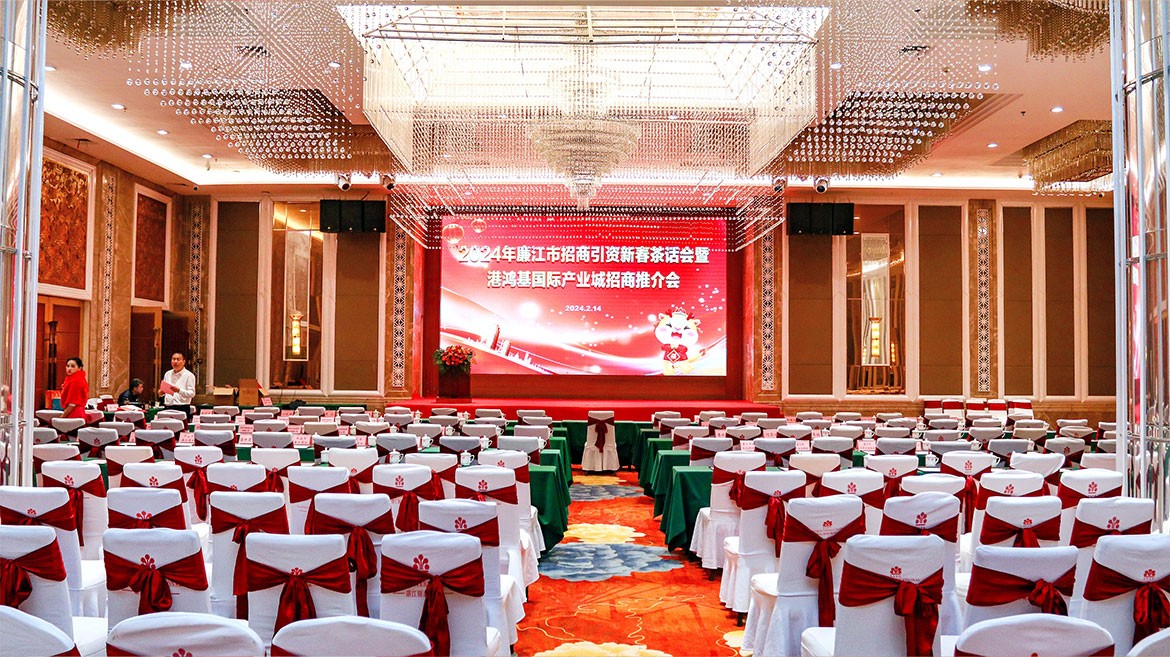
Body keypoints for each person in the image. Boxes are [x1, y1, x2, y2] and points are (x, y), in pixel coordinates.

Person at [159, 352, 195, 418]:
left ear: (183, 362)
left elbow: (192, 394)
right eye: (173, 359)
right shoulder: (167, 374)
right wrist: (161, 392)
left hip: (182, 407)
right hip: (168, 406)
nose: (175, 362)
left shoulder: (189, 375)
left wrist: (179, 391)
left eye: (178, 359)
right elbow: (163, 391)